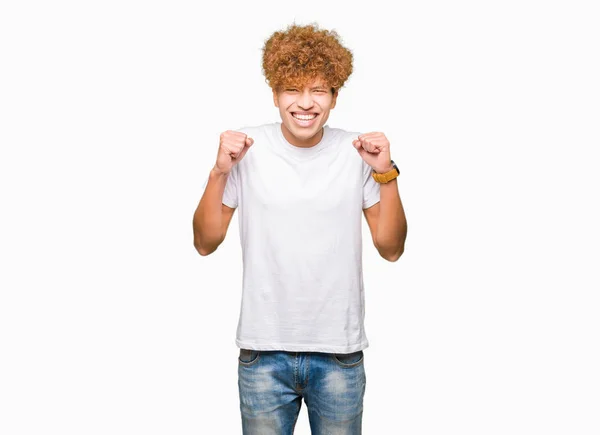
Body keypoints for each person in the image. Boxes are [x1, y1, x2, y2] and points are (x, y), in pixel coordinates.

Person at [192, 22, 407, 435]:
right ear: (275, 94)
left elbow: (391, 247)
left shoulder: (357, 153)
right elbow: (205, 242)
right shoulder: (246, 150)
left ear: (334, 97)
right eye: (292, 89)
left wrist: (387, 174)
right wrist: (219, 172)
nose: (304, 103)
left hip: (339, 355)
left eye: (319, 90)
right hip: (263, 353)